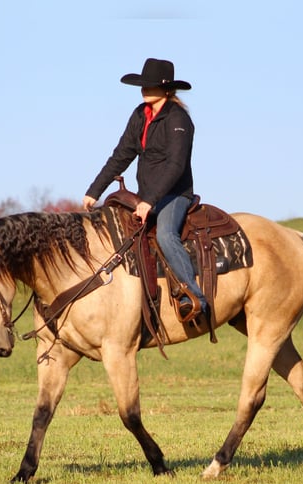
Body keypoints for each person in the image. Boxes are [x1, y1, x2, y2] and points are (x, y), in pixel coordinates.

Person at [83, 57, 207, 321]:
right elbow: (121, 155)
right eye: (142, 84)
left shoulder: (179, 119)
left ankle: (194, 297)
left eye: (150, 85)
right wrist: (94, 191)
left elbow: (175, 165)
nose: (144, 89)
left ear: (166, 89)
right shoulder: (140, 115)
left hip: (175, 194)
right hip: (146, 197)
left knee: (165, 235)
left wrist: (149, 201)